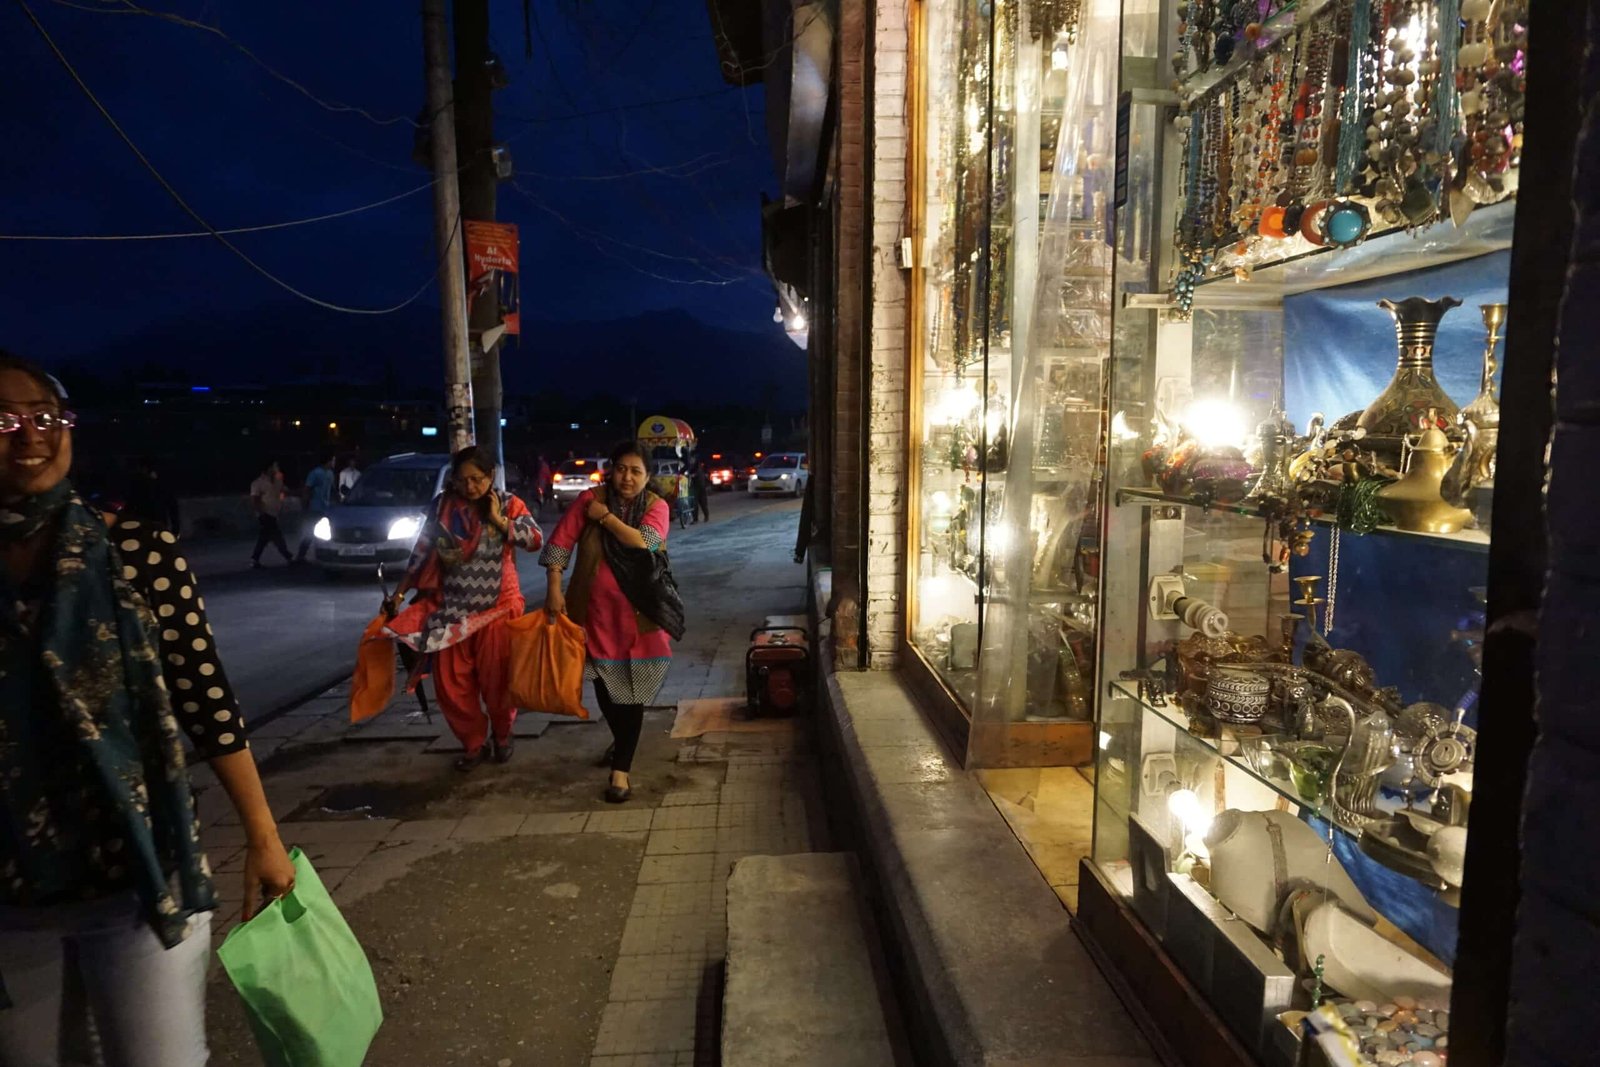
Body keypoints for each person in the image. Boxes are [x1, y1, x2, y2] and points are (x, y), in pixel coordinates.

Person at [0, 352, 294, 1065]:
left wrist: (263, 834)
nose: (29, 434)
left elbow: (206, 697)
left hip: (143, 875)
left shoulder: (137, 551)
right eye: (3, 420)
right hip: (12, 891)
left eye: (45, 415)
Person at [384, 446, 542, 771]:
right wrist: (399, 594)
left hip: (499, 607)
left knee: (498, 681)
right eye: (463, 480)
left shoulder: (510, 503)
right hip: (451, 608)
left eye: (477, 479)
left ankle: (502, 736)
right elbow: (423, 550)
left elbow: (534, 539)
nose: (470, 487)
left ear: (491, 477)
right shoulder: (442, 505)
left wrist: (499, 520)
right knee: (450, 685)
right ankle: (472, 743)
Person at [542, 440, 673, 803]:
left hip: (639, 618)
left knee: (630, 695)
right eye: (621, 468)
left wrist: (604, 517)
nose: (627, 477)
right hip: (593, 616)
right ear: (611, 468)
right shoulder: (588, 499)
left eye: (636, 471)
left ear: (648, 477)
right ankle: (622, 742)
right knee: (604, 686)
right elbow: (559, 543)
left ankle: (621, 771)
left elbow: (643, 542)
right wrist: (554, 587)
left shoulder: (655, 507)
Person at [248, 461, 293, 568]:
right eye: (275, 466)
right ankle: (288, 556)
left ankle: (254, 559)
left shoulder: (277, 481)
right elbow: (255, 499)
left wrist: (282, 500)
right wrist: (260, 512)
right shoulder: (258, 483)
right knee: (276, 535)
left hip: (273, 513)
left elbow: (282, 491)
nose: (277, 469)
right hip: (265, 514)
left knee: (264, 537)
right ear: (269, 469)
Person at [294, 454, 336, 562]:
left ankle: (325, 554)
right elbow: (307, 489)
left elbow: (331, 490)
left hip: (326, 508)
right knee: (311, 531)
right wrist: (305, 504)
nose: (334, 463)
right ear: (328, 461)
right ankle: (301, 556)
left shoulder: (330, 473)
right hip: (315, 507)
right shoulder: (315, 473)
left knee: (326, 533)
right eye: (333, 460)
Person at [122, 457, 179, 533]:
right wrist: (175, 529)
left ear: (144, 468)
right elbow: (173, 509)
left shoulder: (138, 485)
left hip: (143, 524)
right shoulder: (163, 484)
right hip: (160, 524)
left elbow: (130, 506)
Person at [690, 460, 712, 525]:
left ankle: (706, 516)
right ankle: (696, 518)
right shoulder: (694, 467)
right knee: (695, 504)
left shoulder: (698, 468)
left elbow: (698, 475)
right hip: (697, 487)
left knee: (702, 503)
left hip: (700, 487)